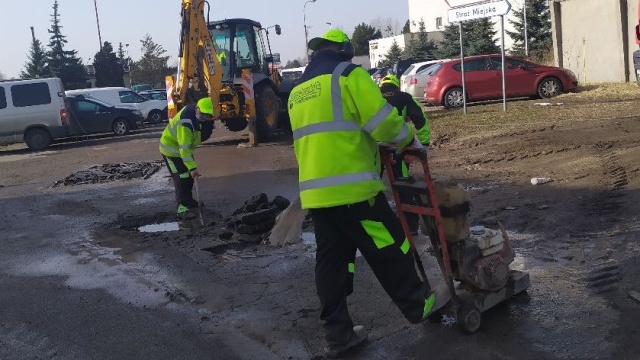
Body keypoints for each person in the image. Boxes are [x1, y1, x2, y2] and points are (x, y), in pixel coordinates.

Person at [287, 29, 448, 358]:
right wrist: (410, 142)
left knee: (331, 264)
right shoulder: (348, 75)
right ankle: (420, 305)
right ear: (345, 50)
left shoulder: (297, 91)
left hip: (318, 196)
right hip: (355, 189)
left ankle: (338, 335)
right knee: (392, 244)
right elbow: (382, 123)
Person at [379, 74, 431, 235]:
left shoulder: (373, 96)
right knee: (403, 184)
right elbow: (420, 119)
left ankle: (376, 223)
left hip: (372, 149)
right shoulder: (404, 97)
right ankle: (410, 225)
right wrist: (424, 144)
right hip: (397, 148)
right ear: (396, 86)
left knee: (371, 185)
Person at [159, 97, 216, 219]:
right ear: (197, 108)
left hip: (181, 150)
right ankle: (182, 207)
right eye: (202, 114)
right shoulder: (185, 123)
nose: (204, 117)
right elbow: (184, 149)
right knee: (182, 177)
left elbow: (192, 141)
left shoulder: (194, 115)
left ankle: (188, 201)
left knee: (188, 177)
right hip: (171, 151)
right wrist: (192, 167)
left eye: (207, 115)